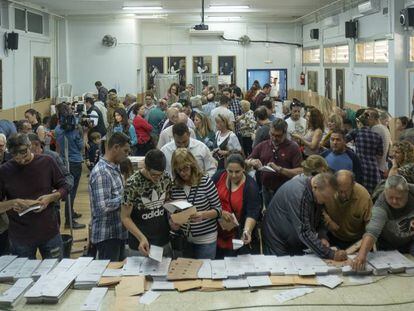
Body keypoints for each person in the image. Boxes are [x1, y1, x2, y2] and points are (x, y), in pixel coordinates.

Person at [0, 133, 70, 259]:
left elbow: (65, 186)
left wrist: (50, 198)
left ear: (29, 146)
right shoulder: (4, 171)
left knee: (56, 273)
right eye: (15, 157)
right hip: (20, 237)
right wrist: (13, 202)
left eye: (24, 155)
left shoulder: (46, 162)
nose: (21, 160)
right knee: (24, 277)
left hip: (49, 231)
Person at [263, 172, 348, 261]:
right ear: (315, 187)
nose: (326, 201)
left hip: (292, 240)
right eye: (325, 197)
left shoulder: (316, 193)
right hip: (278, 241)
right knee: (283, 270)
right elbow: (304, 232)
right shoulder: (300, 194)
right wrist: (331, 254)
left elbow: (319, 218)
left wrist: (322, 236)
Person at [352, 175, 414, 271]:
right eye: (390, 197)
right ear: (385, 193)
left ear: (407, 193)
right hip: (387, 244)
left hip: (411, 242)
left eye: (398, 198)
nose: (394, 201)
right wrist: (361, 256)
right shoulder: (381, 205)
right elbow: (372, 231)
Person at [170, 149, 222, 259]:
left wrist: (203, 215)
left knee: (205, 272)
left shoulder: (205, 182)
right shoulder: (174, 186)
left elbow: (219, 210)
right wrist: (173, 222)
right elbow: (173, 211)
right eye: (179, 170)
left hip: (206, 238)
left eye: (186, 168)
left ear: (192, 166)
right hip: (186, 239)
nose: (183, 173)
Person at [121, 150, 173, 257]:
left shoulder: (166, 177)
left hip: (163, 241)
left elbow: (168, 202)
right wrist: (141, 237)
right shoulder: (132, 184)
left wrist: (173, 219)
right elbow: (125, 217)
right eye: (154, 175)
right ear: (146, 167)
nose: (158, 179)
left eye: (160, 174)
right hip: (140, 244)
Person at [89, 132, 131, 261]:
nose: (127, 155)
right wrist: (128, 198)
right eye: (125, 151)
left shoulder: (114, 167)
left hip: (117, 232)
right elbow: (103, 206)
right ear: (116, 148)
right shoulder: (102, 172)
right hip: (107, 236)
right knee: (109, 276)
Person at [212, 153, 262, 258]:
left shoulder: (250, 186)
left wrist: (247, 231)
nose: (233, 175)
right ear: (226, 168)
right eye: (230, 171)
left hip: (235, 235)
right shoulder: (218, 176)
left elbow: (252, 212)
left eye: (237, 172)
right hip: (216, 232)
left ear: (244, 168)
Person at [247, 119, 303, 207]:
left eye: (278, 136)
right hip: (266, 189)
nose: (274, 138)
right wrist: (251, 162)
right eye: (272, 134)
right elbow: (246, 161)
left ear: (285, 134)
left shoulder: (293, 148)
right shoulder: (263, 145)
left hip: (285, 191)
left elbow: (300, 171)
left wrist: (280, 169)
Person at [55, 104, 85, 229]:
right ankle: (69, 221)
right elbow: (81, 147)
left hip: (63, 162)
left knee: (69, 190)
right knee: (71, 192)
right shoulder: (75, 130)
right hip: (75, 162)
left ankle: (70, 213)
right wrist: (83, 133)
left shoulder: (57, 129)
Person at [323, 170, 372, 249]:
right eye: (340, 191)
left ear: (353, 185)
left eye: (346, 191)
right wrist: (328, 220)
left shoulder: (364, 196)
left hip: (355, 241)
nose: (343, 195)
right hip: (332, 237)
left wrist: (364, 245)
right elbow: (319, 208)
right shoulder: (329, 190)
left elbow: (370, 225)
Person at [346, 111, 383, 194]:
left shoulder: (356, 132)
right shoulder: (377, 136)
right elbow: (380, 154)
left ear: (359, 122)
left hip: (361, 167)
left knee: (361, 195)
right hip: (374, 169)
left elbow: (343, 141)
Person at [366, 109, 391, 177]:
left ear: (372, 118)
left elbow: (371, 150)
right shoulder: (384, 128)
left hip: (377, 167)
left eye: (367, 118)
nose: (366, 120)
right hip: (382, 166)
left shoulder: (376, 129)